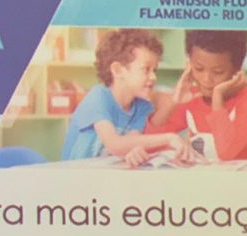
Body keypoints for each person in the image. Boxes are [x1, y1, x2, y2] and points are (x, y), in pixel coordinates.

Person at [61, 29, 198, 166]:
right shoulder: (98, 98)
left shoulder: (141, 106)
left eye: (154, 70)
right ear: (118, 70)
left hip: (104, 173)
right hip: (73, 174)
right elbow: (115, 145)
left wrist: (133, 151)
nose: (153, 77)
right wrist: (169, 139)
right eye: (146, 69)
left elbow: (132, 141)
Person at [145, 30, 247, 164]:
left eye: (218, 72)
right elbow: (149, 143)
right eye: (198, 69)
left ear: (236, 71)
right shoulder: (192, 97)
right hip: (211, 175)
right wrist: (174, 102)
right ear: (189, 64)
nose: (206, 79)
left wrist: (217, 97)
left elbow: (226, 152)